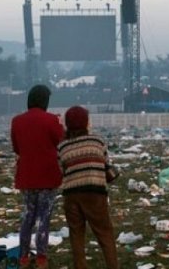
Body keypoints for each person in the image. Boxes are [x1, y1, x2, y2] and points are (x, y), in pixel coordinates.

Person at [11, 85, 64, 269]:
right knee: (44, 217)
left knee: (27, 217)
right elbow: (61, 141)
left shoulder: (16, 121)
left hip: (26, 176)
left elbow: (16, 148)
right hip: (48, 176)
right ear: (45, 101)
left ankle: (23, 257)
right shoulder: (52, 120)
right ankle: (41, 257)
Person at [59, 106, 118, 269]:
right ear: (85, 122)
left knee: (76, 235)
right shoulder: (97, 141)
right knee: (105, 234)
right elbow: (106, 165)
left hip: (71, 195)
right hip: (94, 193)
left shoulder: (62, 147)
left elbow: (61, 170)